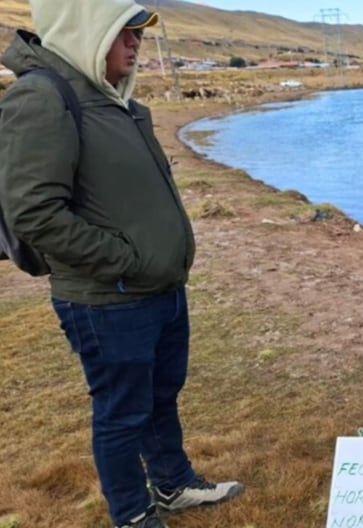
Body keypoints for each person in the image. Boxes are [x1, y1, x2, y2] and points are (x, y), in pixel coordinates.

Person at [0, 2, 242, 527]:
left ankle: (174, 486)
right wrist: (127, 262)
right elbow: (34, 213)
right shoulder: (42, 98)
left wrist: (156, 265)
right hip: (109, 298)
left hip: (156, 289)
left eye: (138, 32)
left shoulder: (113, 100)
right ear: (89, 33)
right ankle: (132, 513)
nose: (135, 43)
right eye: (124, 32)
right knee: (121, 412)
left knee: (159, 397)